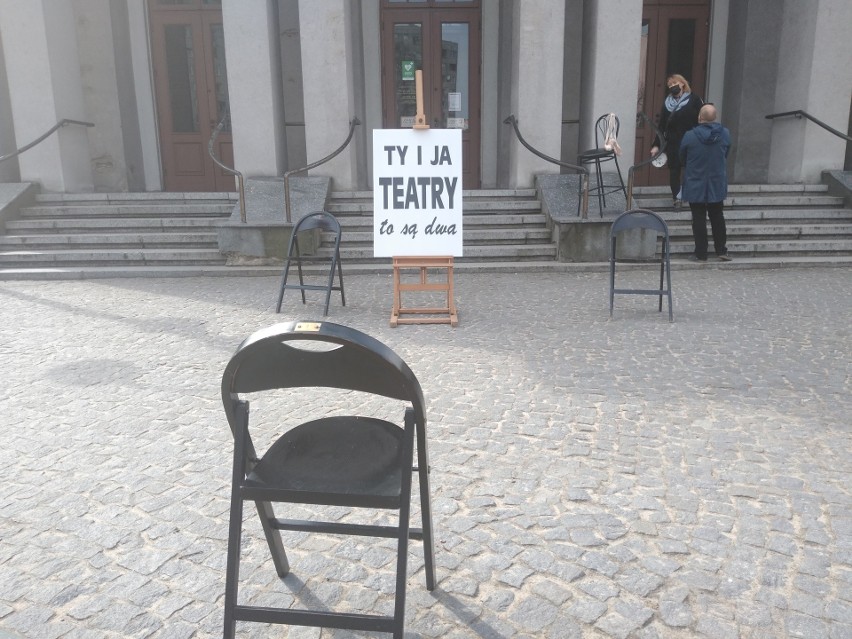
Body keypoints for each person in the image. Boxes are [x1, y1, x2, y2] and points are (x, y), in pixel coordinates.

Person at [679, 103, 732, 262]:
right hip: (716, 180)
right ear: (715, 117)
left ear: (699, 117)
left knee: (698, 217)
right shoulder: (725, 134)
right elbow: (726, 153)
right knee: (717, 215)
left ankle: (701, 253)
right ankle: (721, 250)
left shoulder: (690, 135)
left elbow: (682, 157)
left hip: (695, 180)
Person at [649, 74, 703, 208]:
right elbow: (662, 126)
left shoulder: (694, 100)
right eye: (670, 85)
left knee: (691, 170)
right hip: (673, 142)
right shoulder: (667, 104)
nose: (673, 87)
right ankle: (676, 198)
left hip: (691, 140)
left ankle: (690, 195)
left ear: (683, 84)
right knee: (674, 170)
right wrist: (656, 145)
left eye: (675, 84)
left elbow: (702, 120)